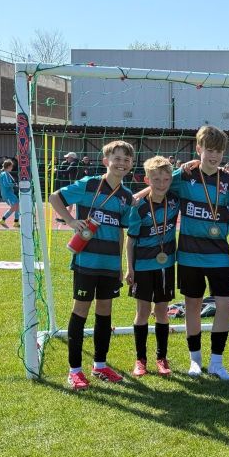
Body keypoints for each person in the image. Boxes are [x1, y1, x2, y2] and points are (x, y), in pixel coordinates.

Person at [49, 140, 135, 390]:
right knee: (81, 311)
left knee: (105, 312)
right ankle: (74, 370)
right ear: (106, 161)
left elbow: (121, 231)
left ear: (130, 165)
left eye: (126, 160)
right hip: (86, 260)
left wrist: (119, 264)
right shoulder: (89, 184)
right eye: (116, 158)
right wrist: (71, 221)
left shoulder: (126, 197)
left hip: (109, 264)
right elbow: (55, 197)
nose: (121, 163)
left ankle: (100, 365)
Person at [167, 126, 229, 380]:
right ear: (198, 149)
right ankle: (195, 360)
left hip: (219, 254)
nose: (214, 156)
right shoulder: (183, 175)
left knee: (224, 304)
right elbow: (158, 181)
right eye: (209, 150)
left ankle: (217, 362)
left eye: (219, 151)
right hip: (188, 253)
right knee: (192, 306)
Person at [125, 156, 179, 378]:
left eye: (166, 178)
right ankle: (140, 359)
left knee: (162, 312)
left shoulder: (175, 200)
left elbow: (184, 175)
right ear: (147, 179)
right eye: (156, 179)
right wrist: (130, 268)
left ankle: (161, 357)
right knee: (143, 312)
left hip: (166, 265)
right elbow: (130, 240)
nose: (161, 183)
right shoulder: (138, 207)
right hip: (143, 266)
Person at [0, 159, 20, 228]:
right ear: (9, 166)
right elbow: (6, 184)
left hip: (9, 194)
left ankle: (16, 222)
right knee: (14, 207)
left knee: (17, 206)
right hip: (8, 194)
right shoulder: (5, 174)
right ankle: (2, 220)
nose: (12, 168)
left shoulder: (4, 173)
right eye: (11, 166)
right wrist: (14, 185)